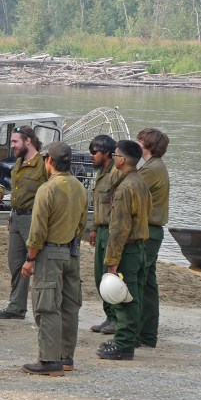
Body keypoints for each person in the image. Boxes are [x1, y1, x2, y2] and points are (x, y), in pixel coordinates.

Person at [20, 142, 88, 376]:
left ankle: (49, 361)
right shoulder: (80, 187)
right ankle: (66, 357)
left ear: (49, 161)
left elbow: (37, 230)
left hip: (50, 252)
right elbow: (81, 224)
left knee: (47, 306)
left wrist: (30, 258)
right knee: (70, 306)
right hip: (72, 251)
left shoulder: (47, 189)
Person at [97, 140, 152, 361]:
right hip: (139, 248)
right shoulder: (139, 182)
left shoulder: (125, 188)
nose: (114, 157)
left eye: (116, 154)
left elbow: (119, 230)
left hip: (127, 250)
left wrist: (112, 262)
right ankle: (130, 338)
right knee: (135, 295)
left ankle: (123, 345)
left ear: (122, 159)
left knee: (123, 299)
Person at [0, 126, 47, 320]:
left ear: (28, 141)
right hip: (17, 217)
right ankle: (16, 307)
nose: (12, 145)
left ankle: (44, 308)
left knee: (38, 263)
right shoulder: (19, 163)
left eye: (15, 142)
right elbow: (17, 192)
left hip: (34, 218)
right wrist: (11, 214)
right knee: (16, 264)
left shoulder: (44, 164)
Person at [137, 128, 170, 348]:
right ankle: (147, 334)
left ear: (147, 145)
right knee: (148, 283)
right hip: (151, 230)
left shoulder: (151, 169)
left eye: (138, 142)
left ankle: (139, 333)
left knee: (138, 279)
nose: (136, 145)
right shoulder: (153, 167)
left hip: (148, 231)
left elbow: (130, 189)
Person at [88, 135, 119, 336]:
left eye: (94, 153)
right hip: (100, 230)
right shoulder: (100, 174)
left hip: (111, 231)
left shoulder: (116, 174)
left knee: (111, 276)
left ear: (106, 153)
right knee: (100, 276)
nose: (91, 156)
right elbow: (98, 205)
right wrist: (92, 229)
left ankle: (116, 318)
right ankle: (109, 316)